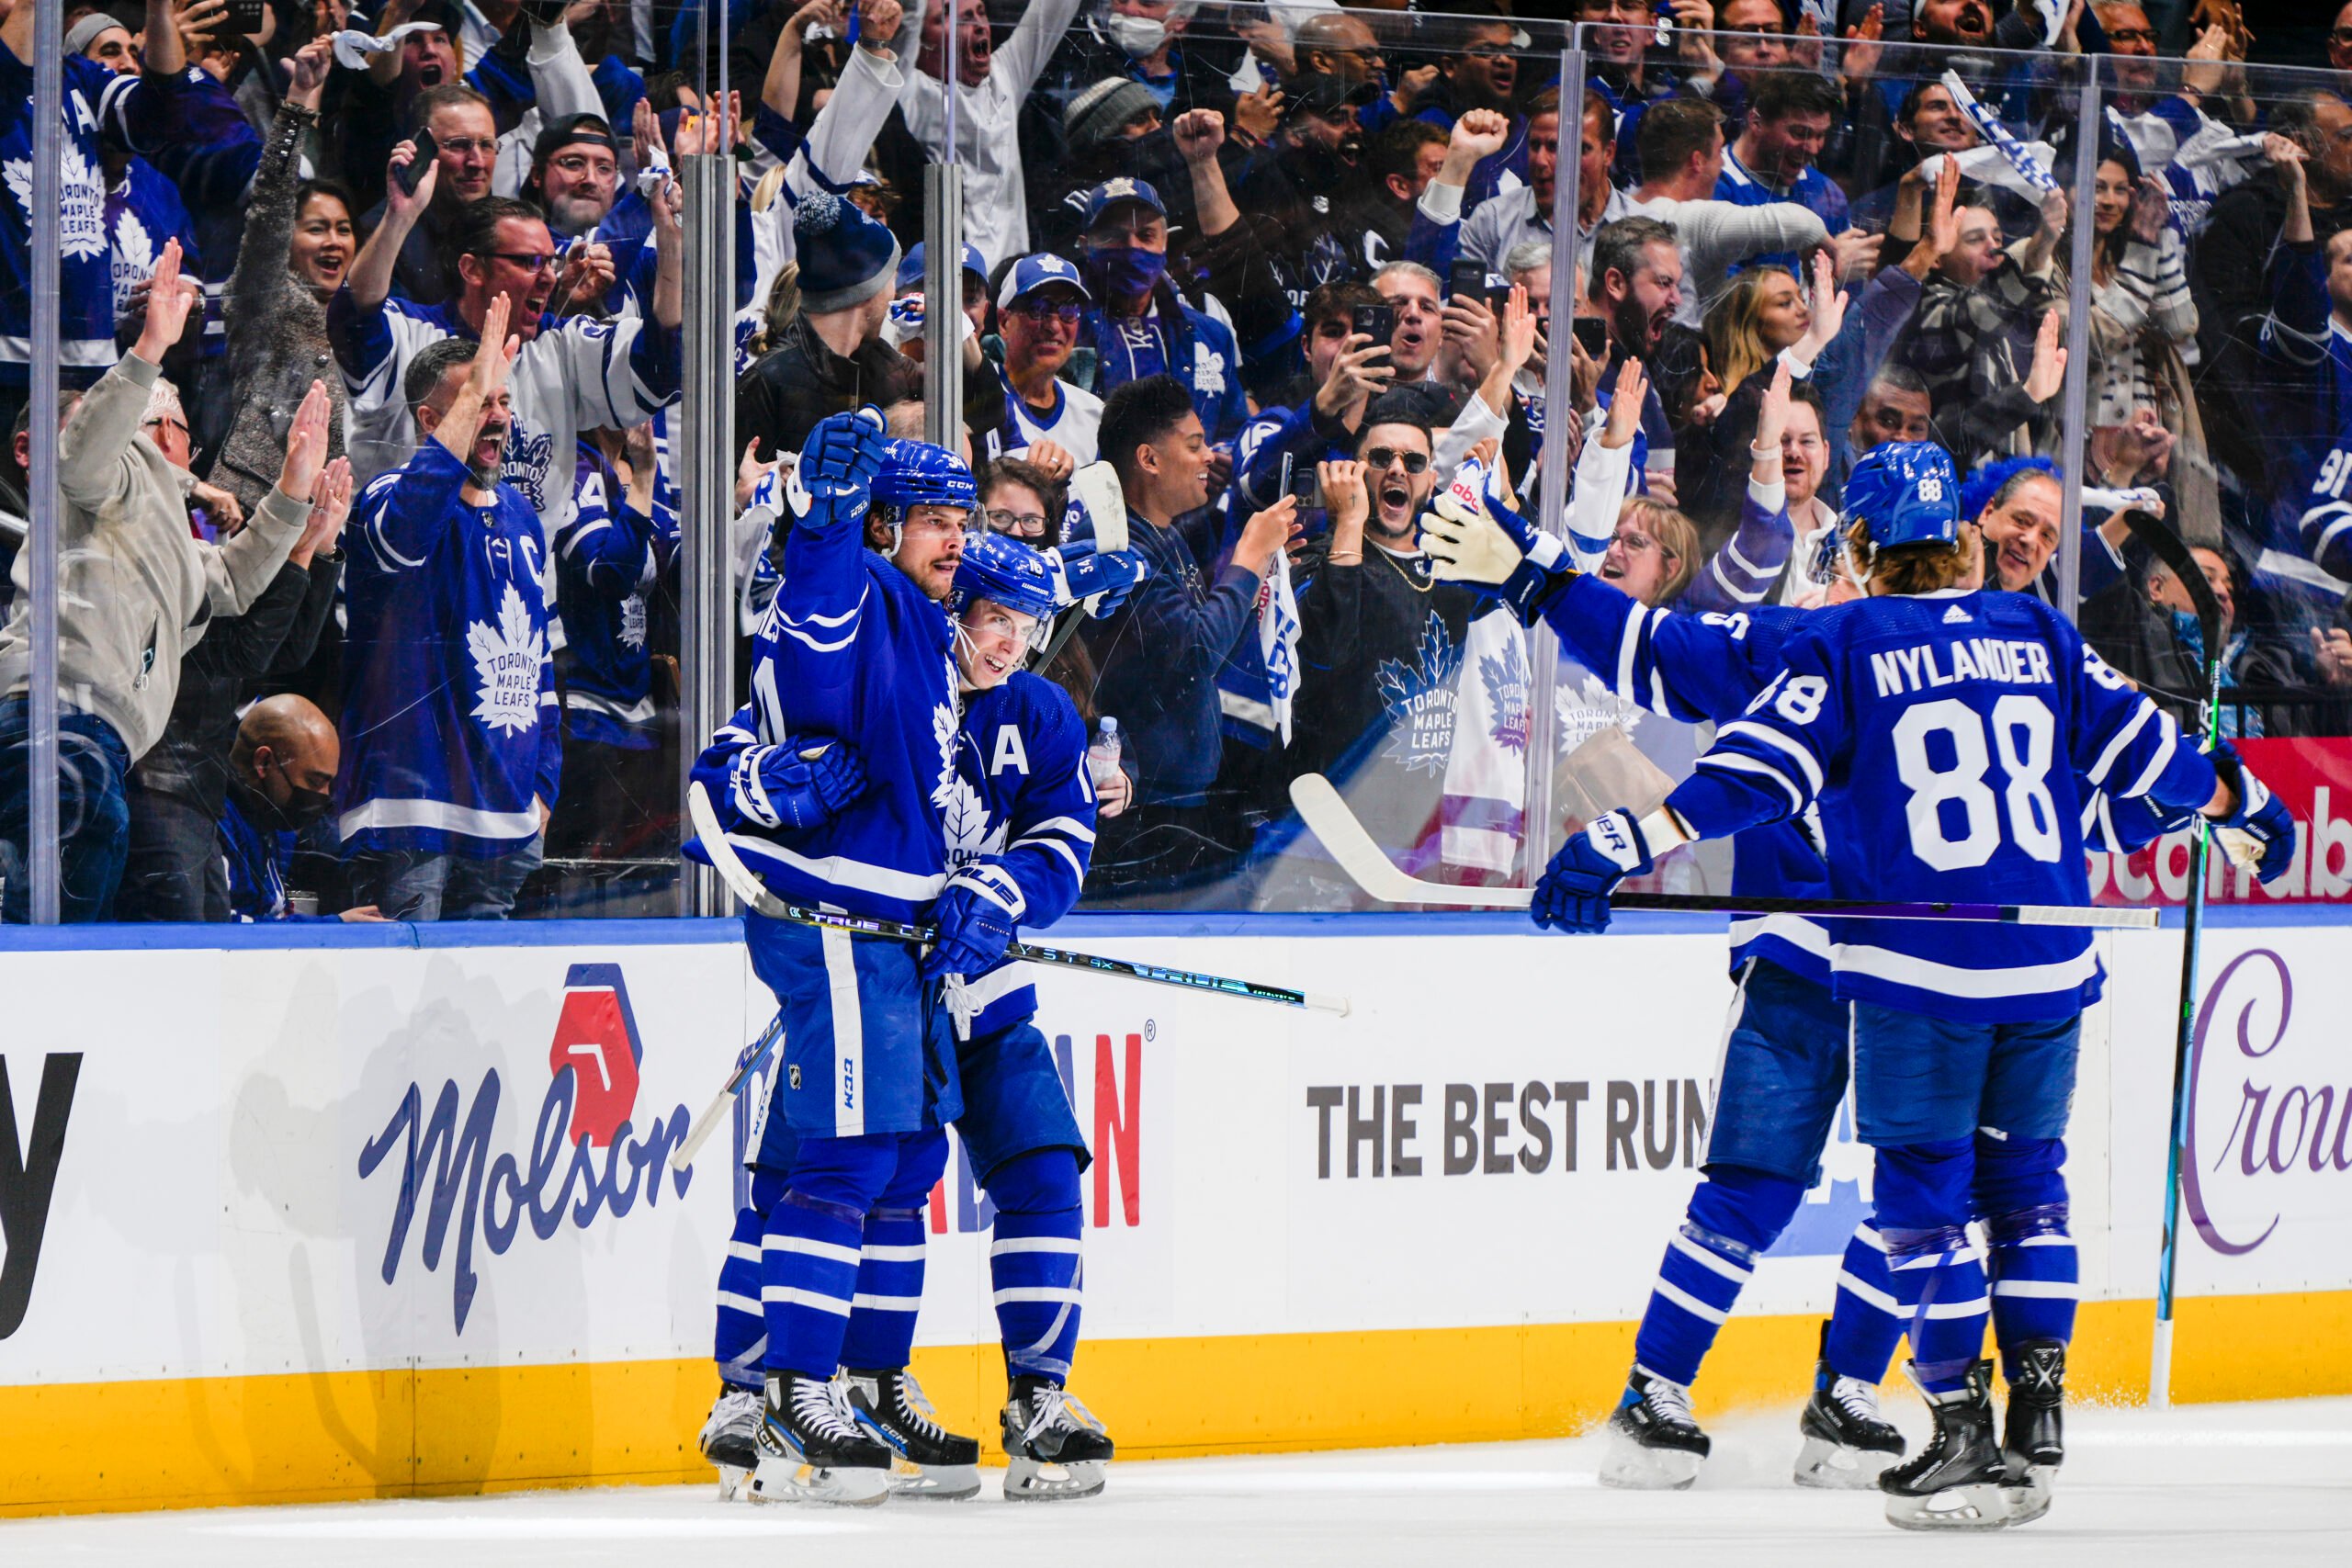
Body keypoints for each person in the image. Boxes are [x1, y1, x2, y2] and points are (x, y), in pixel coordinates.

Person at [1525, 442, 2297, 1529]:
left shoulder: (1899, 639)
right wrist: (2230, 799)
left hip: (1909, 969)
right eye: (2016, 521)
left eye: (2045, 530)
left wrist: (1621, 835)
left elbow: (1764, 772)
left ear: (1867, 547)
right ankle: (1677, 1391)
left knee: (1923, 1197)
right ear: (1963, 538)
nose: (2028, 540)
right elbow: (1651, 650)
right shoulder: (1919, 636)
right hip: (1872, 965)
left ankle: (1875, 1404)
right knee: (1821, 1187)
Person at [685, 414, 974, 1506]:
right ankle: (795, 1389)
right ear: (882, 523)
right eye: (935, 520)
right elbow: (813, 638)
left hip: (895, 934)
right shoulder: (857, 589)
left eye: (962, 520)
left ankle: (845, 1381)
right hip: (840, 924)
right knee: (850, 1164)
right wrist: (823, 529)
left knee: (893, 1165)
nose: (955, 539)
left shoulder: (927, 623)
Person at [0, 241, 321, 922]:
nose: (171, 435)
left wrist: (293, 494)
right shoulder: (101, 481)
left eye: (180, 424)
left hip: (100, 739)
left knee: (77, 895)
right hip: (59, 716)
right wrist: (148, 352)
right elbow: (83, 455)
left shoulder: (170, 536)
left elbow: (233, 582)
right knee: (68, 887)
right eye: (154, 421)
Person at [336, 300, 560, 921]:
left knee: (482, 987)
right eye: (478, 402)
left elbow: (539, 661)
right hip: (410, 812)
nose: (499, 417)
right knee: (402, 980)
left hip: (507, 817)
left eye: (503, 401)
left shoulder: (521, 516)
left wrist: (544, 784)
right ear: (431, 419)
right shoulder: (386, 498)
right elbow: (408, 529)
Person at [332, 144, 684, 535]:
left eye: (551, 262)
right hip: (409, 568)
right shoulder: (409, 333)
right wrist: (399, 218)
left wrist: (670, 243)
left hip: (525, 574)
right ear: (472, 269)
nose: (549, 277)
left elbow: (660, 369)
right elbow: (354, 320)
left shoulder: (561, 347)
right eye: (530, 262)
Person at [1080, 374, 1290, 894]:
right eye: (1194, 445)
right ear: (1149, 459)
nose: (1209, 457)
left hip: (1171, 802)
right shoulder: (1117, 548)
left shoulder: (1162, 533)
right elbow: (1196, 653)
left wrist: (1254, 577)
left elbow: (1190, 642)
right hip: (1138, 812)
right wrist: (1248, 557)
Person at [218, 694, 384, 922]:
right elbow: (224, 930)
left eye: (329, 784)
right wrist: (333, 925)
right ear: (264, 762)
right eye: (314, 781)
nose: (324, 795)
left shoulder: (270, 819)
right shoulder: (216, 824)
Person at [994, 253, 1104, 465]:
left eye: (1068, 311)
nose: (1054, 326)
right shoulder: (980, 397)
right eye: (1038, 310)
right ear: (1004, 321)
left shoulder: (1093, 413)